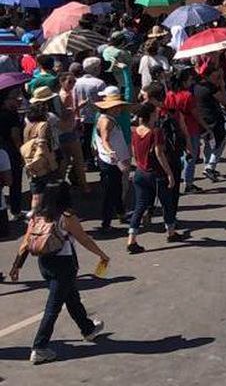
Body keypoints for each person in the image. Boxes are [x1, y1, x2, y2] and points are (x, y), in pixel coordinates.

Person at [9, 184, 109, 365]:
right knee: (53, 307)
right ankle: (39, 347)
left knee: (71, 296)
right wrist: (102, 255)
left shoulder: (37, 216)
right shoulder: (66, 217)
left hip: (44, 264)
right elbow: (84, 239)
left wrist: (17, 266)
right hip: (64, 265)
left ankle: (87, 329)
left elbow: (26, 242)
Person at [125, 102, 183, 253]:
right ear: (150, 115)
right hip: (155, 174)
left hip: (140, 172)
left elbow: (134, 151)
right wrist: (169, 173)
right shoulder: (155, 132)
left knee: (140, 205)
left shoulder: (136, 131)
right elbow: (159, 153)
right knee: (167, 203)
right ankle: (171, 232)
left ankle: (132, 238)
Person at [92, 88, 131, 235]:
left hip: (112, 161)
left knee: (116, 188)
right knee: (110, 191)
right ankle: (106, 222)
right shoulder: (106, 121)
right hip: (109, 161)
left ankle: (121, 213)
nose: (119, 109)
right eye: (117, 106)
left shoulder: (108, 119)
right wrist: (111, 152)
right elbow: (105, 140)